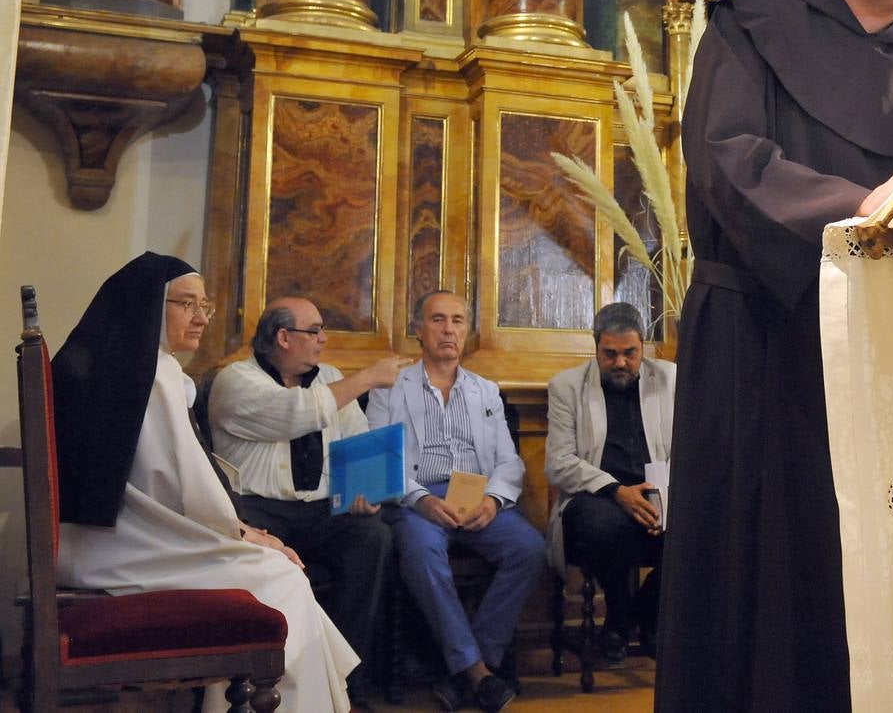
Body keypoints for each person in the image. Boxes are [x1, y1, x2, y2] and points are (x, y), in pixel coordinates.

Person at [655, 0, 893, 712]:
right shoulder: (749, 25)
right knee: (767, 579)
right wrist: (859, 210)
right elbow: (730, 161)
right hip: (764, 340)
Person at [52, 252, 360, 712]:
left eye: (205, 306)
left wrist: (242, 534)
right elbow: (183, 487)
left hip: (102, 541)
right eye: (187, 304)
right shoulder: (152, 375)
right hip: (124, 548)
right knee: (284, 577)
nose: (201, 318)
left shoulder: (119, 364)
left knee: (279, 572)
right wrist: (247, 534)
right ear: (150, 306)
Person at [207, 297, 411, 705]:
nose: (323, 338)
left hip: (320, 508)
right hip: (257, 511)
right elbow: (294, 414)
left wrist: (364, 492)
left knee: (373, 537)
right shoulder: (235, 380)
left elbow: (355, 439)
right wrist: (368, 377)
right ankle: (268, 683)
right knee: (268, 562)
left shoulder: (329, 377)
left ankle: (347, 679)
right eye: (314, 330)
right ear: (283, 337)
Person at [367, 290, 544, 713]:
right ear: (418, 330)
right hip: (416, 500)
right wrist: (420, 499)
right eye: (439, 320)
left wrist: (494, 501)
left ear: (467, 331)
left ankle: (464, 670)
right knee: (423, 553)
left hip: (477, 496)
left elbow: (508, 461)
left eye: (458, 321)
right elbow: (378, 458)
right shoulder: (389, 388)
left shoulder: (485, 391)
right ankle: (480, 675)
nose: (449, 330)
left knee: (530, 549)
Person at [545, 302, 675, 661]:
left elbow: (689, 447)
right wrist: (615, 490)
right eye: (610, 354)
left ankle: (643, 614)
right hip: (599, 496)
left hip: (659, 493)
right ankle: (619, 612)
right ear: (596, 347)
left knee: (706, 525)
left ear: (643, 347)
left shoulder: (670, 379)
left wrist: (667, 497)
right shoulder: (567, 387)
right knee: (597, 525)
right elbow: (559, 463)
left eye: (630, 353)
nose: (620, 363)